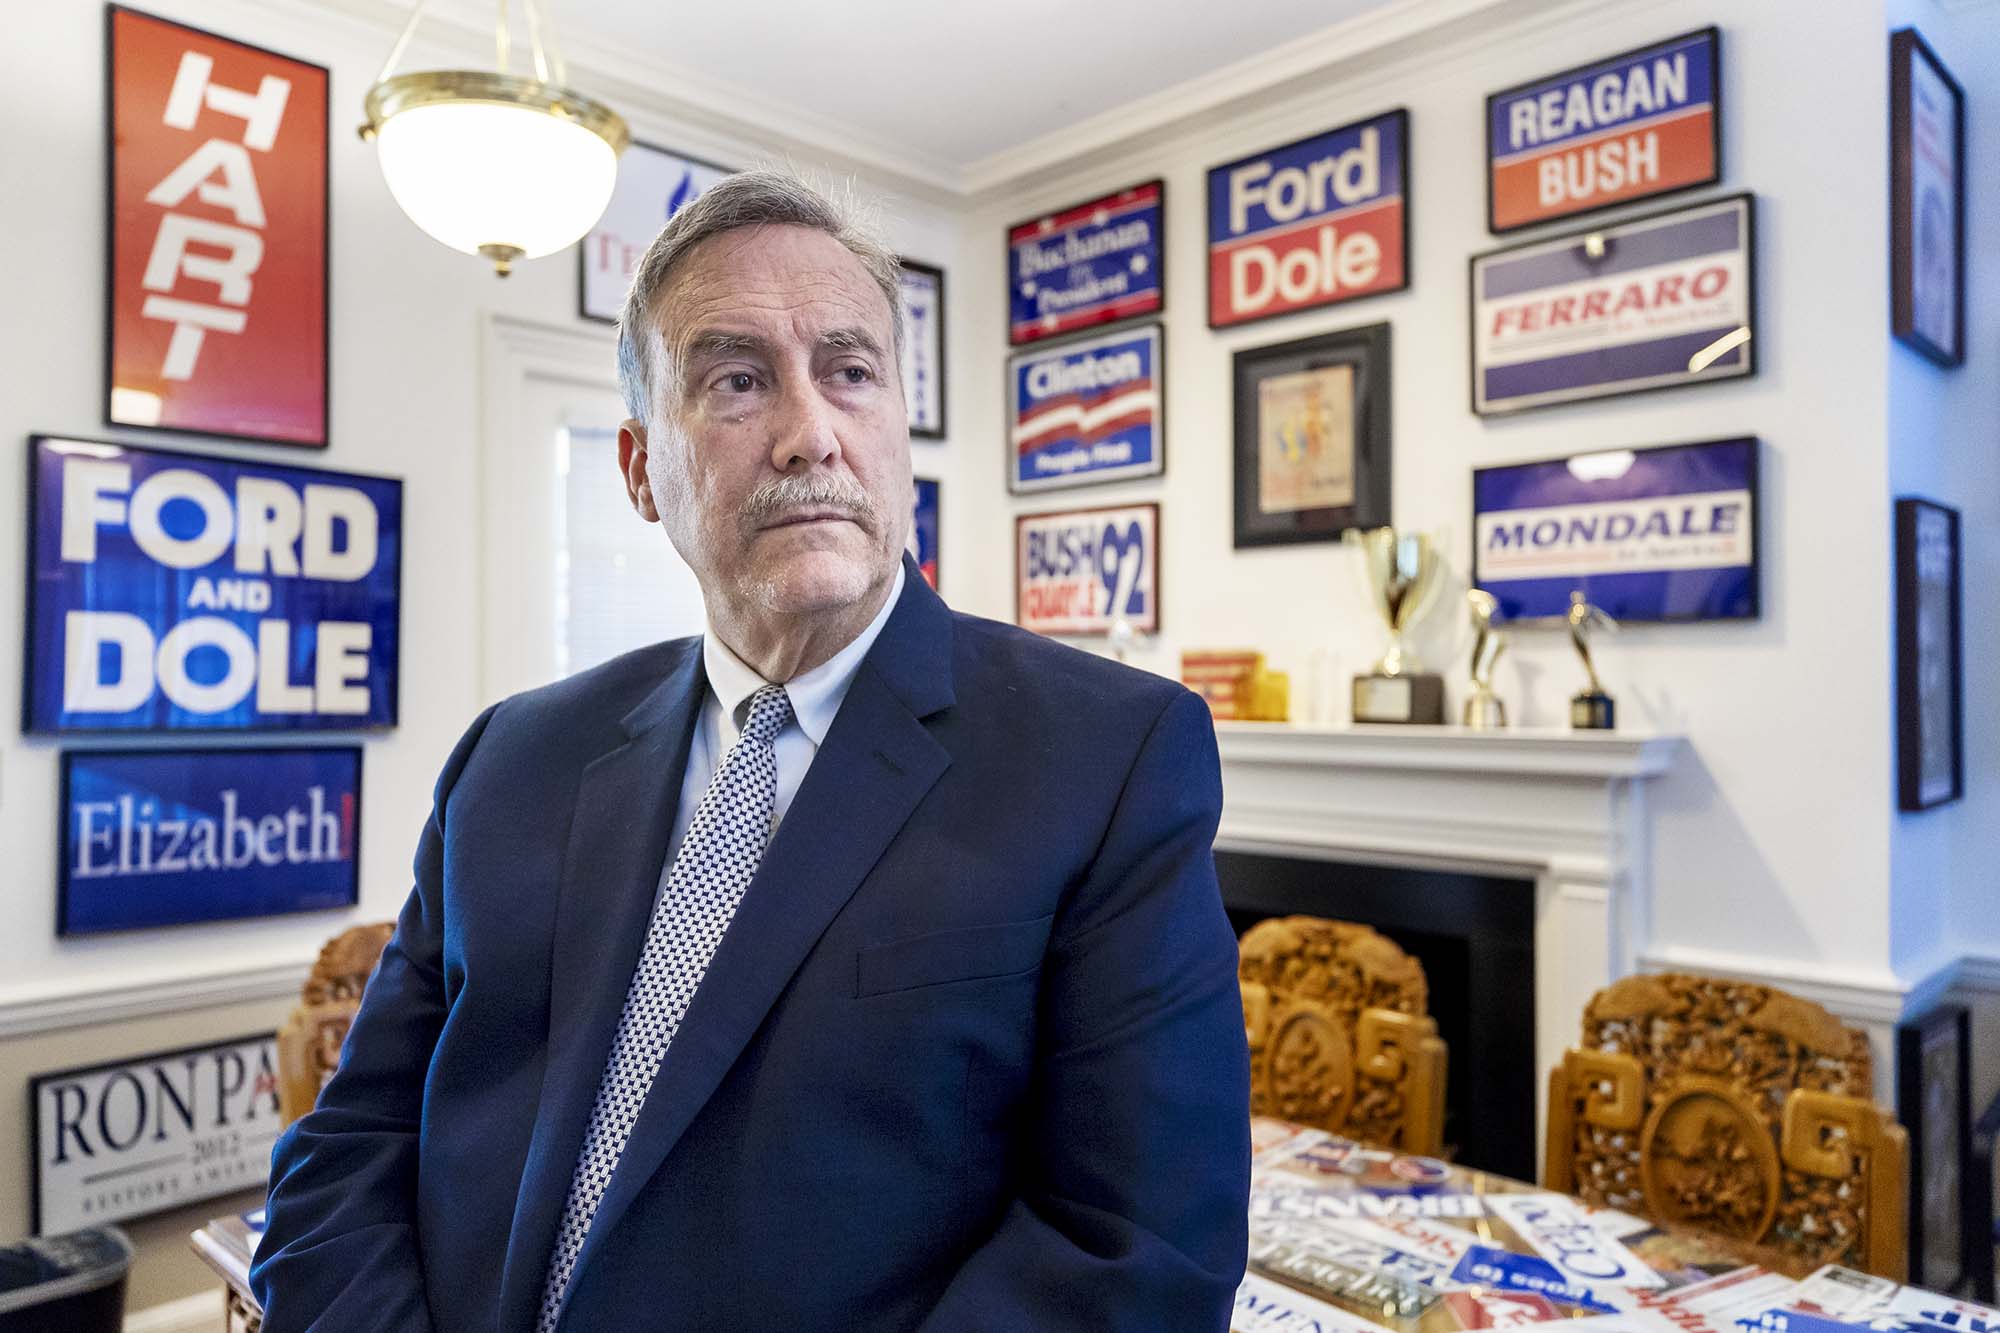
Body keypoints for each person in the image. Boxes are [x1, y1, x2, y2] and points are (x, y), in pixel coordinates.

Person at [250, 169, 1251, 1332]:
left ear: (897, 438)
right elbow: (350, 1142)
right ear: (639, 471)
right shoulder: (509, 759)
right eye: (735, 380)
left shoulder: (1105, 755)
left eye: (850, 372)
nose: (808, 433)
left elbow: (1134, 1252)